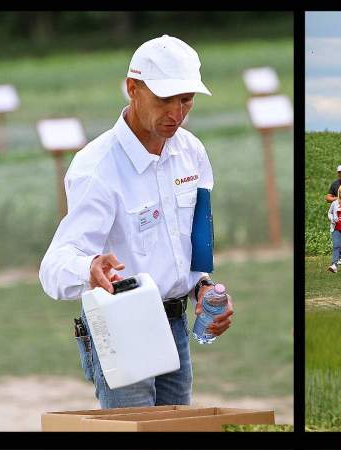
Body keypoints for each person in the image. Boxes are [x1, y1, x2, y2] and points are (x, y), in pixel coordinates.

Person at [39, 35, 233, 409]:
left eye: (186, 99)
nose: (176, 112)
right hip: (120, 324)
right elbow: (54, 267)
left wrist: (203, 287)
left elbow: (194, 241)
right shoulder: (97, 166)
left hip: (175, 322)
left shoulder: (192, 152)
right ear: (132, 89)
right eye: (164, 99)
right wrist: (89, 267)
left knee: (177, 428)